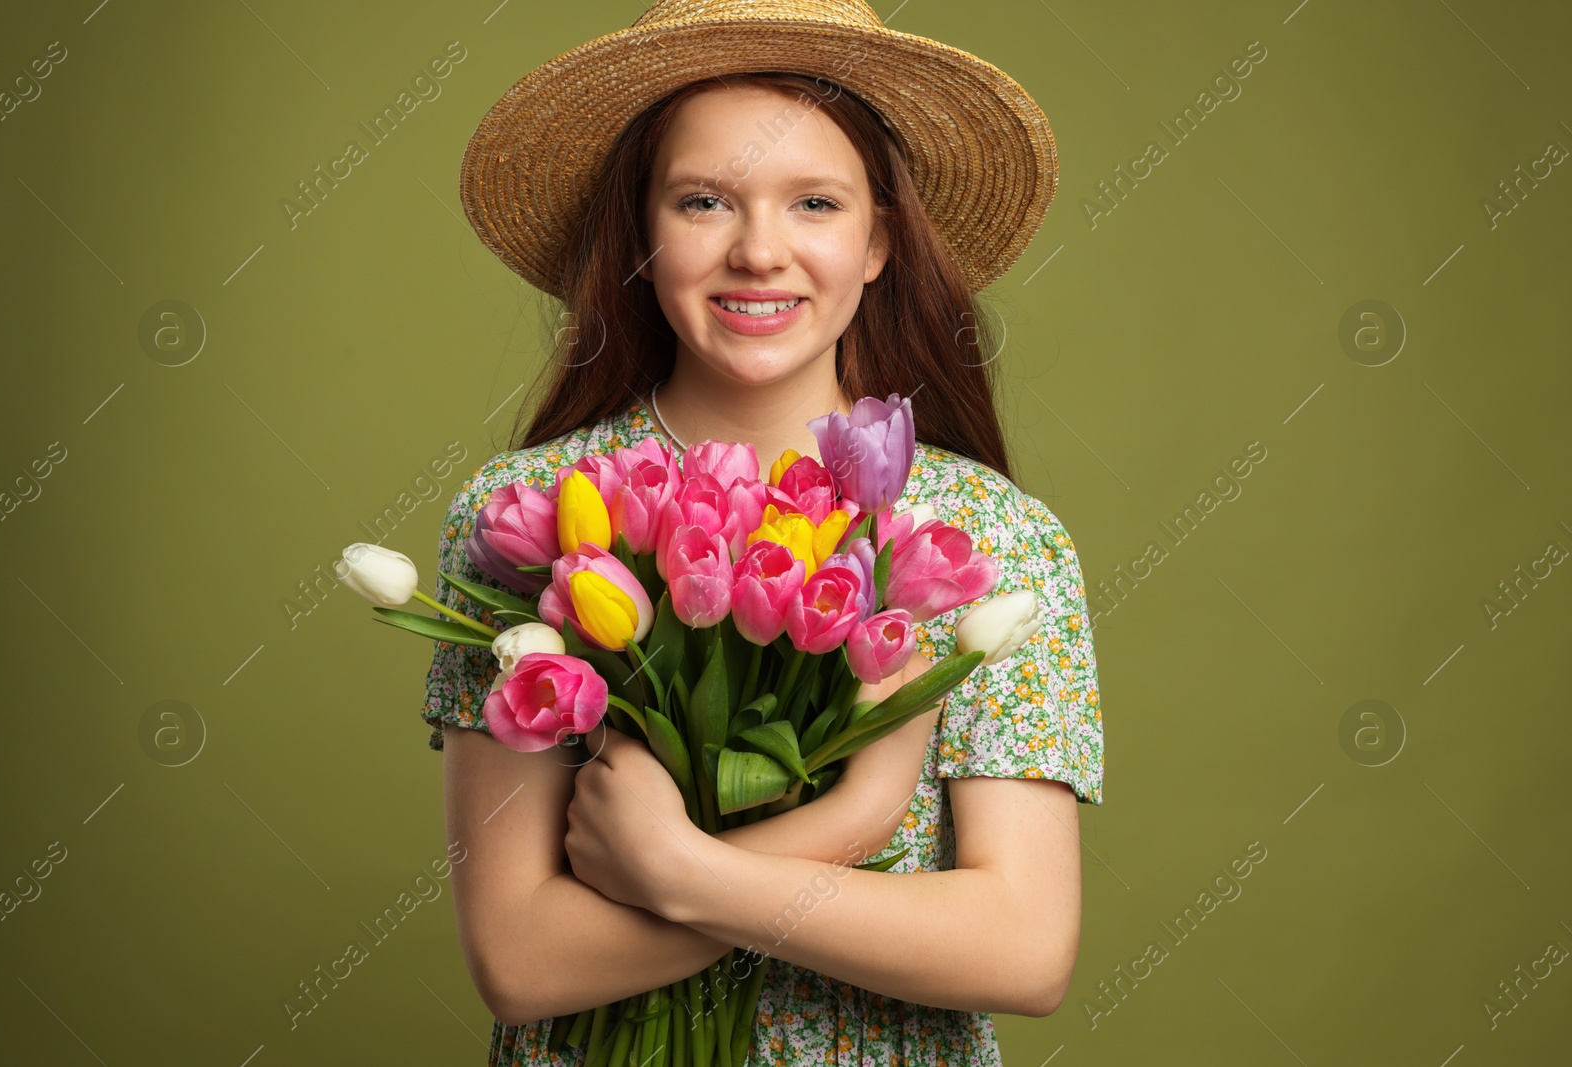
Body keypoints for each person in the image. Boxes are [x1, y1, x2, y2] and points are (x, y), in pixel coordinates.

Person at [421, 2, 1103, 1064]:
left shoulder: (984, 538)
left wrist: (677, 867)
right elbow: (521, 958)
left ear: (877, 240)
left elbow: (1019, 949)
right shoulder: (529, 513)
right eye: (702, 201)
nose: (758, 252)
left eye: (815, 203)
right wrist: (852, 816)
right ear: (643, 234)